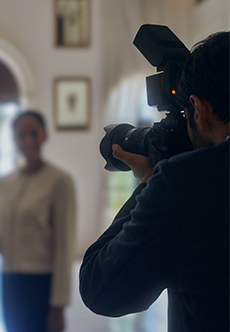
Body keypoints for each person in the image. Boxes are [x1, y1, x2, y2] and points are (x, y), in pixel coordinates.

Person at [79, 31, 229, 332]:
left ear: (199, 110)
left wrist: (151, 181)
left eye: (186, 112)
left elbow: (102, 289)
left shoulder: (185, 183)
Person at [0, 110, 76, 332]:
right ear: (14, 139)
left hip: (41, 284)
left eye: (33, 133)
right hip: (10, 280)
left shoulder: (60, 181)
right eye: (21, 135)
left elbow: (64, 246)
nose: (27, 140)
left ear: (44, 136)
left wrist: (59, 304)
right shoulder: (4, 183)